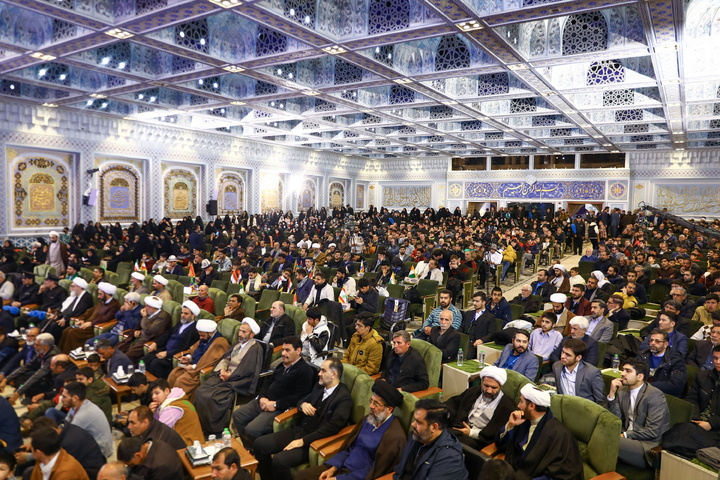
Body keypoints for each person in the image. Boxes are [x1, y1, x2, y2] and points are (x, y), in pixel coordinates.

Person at [254, 358, 353, 480]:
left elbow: (332, 428)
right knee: (259, 444)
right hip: (299, 430)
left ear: (334, 374)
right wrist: (303, 405)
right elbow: (301, 400)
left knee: (279, 460)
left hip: (313, 442)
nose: (319, 374)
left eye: (323, 371)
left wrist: (303, 441)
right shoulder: (319, 386)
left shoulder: (344, 399)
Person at [294, 379, 407, 480]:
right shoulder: (368, 419)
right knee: (302, 476)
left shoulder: (395, 437)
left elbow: (374, 470)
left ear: (389, 409)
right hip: (341, 468)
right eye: (371, 401)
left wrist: (338, 479)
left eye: (376, 403)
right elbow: (350, 448)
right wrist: (333, 468)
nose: (371, 406)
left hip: (358, 477)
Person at [231, 336, 314, 443]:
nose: (283, 353)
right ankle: (250, 448)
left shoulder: (305, 371)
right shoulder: (281, 365)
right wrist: (262, 397)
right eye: (283, 350)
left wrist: (275, 404)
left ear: (298, 351)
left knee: (251, 430)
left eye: (287, 350)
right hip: (264, 401)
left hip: (279, 408)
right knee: (238, 415)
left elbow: (300, 397)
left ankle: (258, 450)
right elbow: (268, 383)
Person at [495, 384, 584, 480]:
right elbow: (501, 445)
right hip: (515, 472)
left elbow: (561, 473)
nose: (518, 405)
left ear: (532, 406)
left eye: (521, 402)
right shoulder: (523, 421)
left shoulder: (559, 434)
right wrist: (510, 425)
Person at [194, 318, 264, 435]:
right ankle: (200, 423)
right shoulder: (238, 344)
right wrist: (222, 370)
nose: (240, 334)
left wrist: (229, 376)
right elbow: (226, 358)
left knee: (213, 398)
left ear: (252, 335)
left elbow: (247, 370)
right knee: (201, 391)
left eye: (244, 332)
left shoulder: (255, 349)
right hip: (225, 375)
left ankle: (214, 429)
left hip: (238, 381)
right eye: (240, 331)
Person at [657, 345, 720, 459]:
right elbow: (692, 399)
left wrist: (711, 423)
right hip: (697, 423)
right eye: (715, 358)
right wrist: (697, 419)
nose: (718, 362)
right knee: (678, 432)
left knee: (682, 436)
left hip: (716, 428)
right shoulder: (702, 376)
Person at [605, 359, 670, 469]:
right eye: (623, 370)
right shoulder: (622, 391)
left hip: (647, 445)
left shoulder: (655, 395)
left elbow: (652, 431)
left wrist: (625, 435)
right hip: (628, 439)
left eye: (628, 371)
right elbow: (615, 419)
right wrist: (611, 394)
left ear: (640, 377)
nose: (623, 373)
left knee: (607, 439)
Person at [392, 398, 468, 480]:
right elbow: (400, 470)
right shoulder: (416, 436)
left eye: (418, 422)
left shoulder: (449, 457)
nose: (413, 424)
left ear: (434, 427)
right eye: (414, 420)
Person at [445, 366, 516, 450]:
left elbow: (496, 434)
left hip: (478, 439)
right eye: (486, 386)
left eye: (493, 388)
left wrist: (470, 432)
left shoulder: (507, 406)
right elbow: (454, 404)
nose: (489, 391)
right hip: (459, 429)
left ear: (501, 386)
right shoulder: (473, 391)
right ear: (482, 382)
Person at [167, 318, 230, 400]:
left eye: (202, 335)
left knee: (181, 381)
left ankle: (179, 405)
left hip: (199, 371)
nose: (200, 338)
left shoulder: (219, 342)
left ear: (210, 333)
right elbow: (194, 349)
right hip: (192, 366)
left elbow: (208, 361)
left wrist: (193, 367)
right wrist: (188, 357)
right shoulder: (205, 338)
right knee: (174, 374)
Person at [143, 301, 200, 379]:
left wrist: (167, 353)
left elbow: (186, 347)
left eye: (186, 314)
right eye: (182, 313)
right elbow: (167, 335)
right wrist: (156, 343)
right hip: (164, 350)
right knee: (146, 359)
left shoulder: (195, 330)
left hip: (173, 356)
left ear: (193, 316)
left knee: (156, 363)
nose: (182, 315)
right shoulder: (179, 324)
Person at [58, 282, 120, 353]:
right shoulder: (102, 301)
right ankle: (61, 353)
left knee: (72, 333)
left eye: (100, 294)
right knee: (67, 330)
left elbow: (105, 318)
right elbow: (90, 311)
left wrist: (91, 323)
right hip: (87, 323)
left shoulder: (114, 305)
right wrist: (82, 319)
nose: (98, 297)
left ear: (107, 294)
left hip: (94, 327)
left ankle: (70, 355)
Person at [60, 381, 113, 458]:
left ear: (75, 398)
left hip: (100, 452)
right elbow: (66, 423)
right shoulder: (77, 406)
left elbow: (69, 438)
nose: (61, 400)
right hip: (91, 443)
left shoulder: (82, 415)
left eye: (64, 397)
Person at [4, 333, 59, 404]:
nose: (34, 346)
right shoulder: (42, 351)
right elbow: (27, 366)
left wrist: (18, 393)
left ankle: (31, 395)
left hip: (50, 382)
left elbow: (38, 375)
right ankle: (24, 391)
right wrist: (6, 379)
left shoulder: (52, 357)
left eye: (37, 345)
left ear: (45, 347)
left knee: (32, 379)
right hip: (43, 376)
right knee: (21, 375)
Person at [148, 378, 203, 446]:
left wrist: (150, 415)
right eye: (152, 394)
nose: (153, 397)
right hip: (196, 440)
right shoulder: (177, 399)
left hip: (190, 446)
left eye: (157, 393)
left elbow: (159, 432)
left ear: (167, 391)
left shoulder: (171, 408)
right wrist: (153, 413)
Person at [117, 296, 172, 362]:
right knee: (118, 351)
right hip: (138, 338)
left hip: (147, 341)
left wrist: (145, 316)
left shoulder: (163, 316)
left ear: (152, 308)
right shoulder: (150, 312)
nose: (144, 308)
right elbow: (141, 325)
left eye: (146, 306)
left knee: (126, 357)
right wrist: (138, 330)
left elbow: (149, 329)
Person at [635, 329, 687, 397]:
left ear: (665, 344)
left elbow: (675, 385)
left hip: (662, 396)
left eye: (657, 341)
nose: (653, 343)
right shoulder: (643, 355)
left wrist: (646, 386)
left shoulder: (676, 360)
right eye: (651, 340)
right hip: (640, 392)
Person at [552, 338, 604, 403]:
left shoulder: (592, 373)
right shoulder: (557, 367)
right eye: (563, 352)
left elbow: (601, 400)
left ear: (578, 358)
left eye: (568, 355)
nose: (562, 356)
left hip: (584, 409)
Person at [116, 436, 184, 480]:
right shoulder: (154, 443)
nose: (130, 466)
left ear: (138, 455)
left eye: (131, 464)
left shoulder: (160, 465)